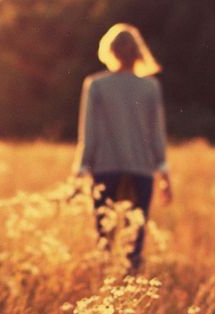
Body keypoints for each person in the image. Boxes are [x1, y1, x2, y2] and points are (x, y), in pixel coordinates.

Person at [72, 23, 172, 268]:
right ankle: (132, 293)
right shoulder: (150, 86)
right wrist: (164, 174)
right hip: (142, 170)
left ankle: (104, 289)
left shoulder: (95, 85)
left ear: (110, 51)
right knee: (134, 244)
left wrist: (80, 169)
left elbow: (89, 133)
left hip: (105, 169)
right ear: (137, 52)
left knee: (105, 239)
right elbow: (156, 134)